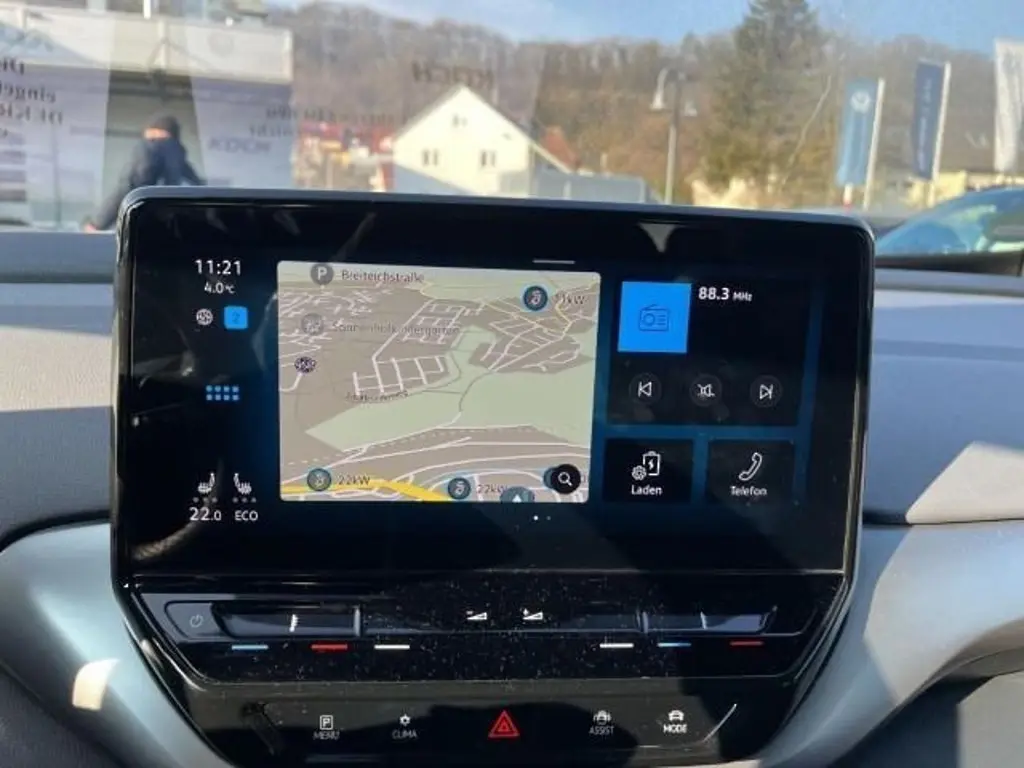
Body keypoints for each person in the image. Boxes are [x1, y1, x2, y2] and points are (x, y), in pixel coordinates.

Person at [84, 115, 205, 231]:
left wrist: (98, 223)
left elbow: (129, 188)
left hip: (144, 229)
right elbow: (201, 192)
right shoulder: (180, 161)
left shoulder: (149, 149)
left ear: (155, 131)